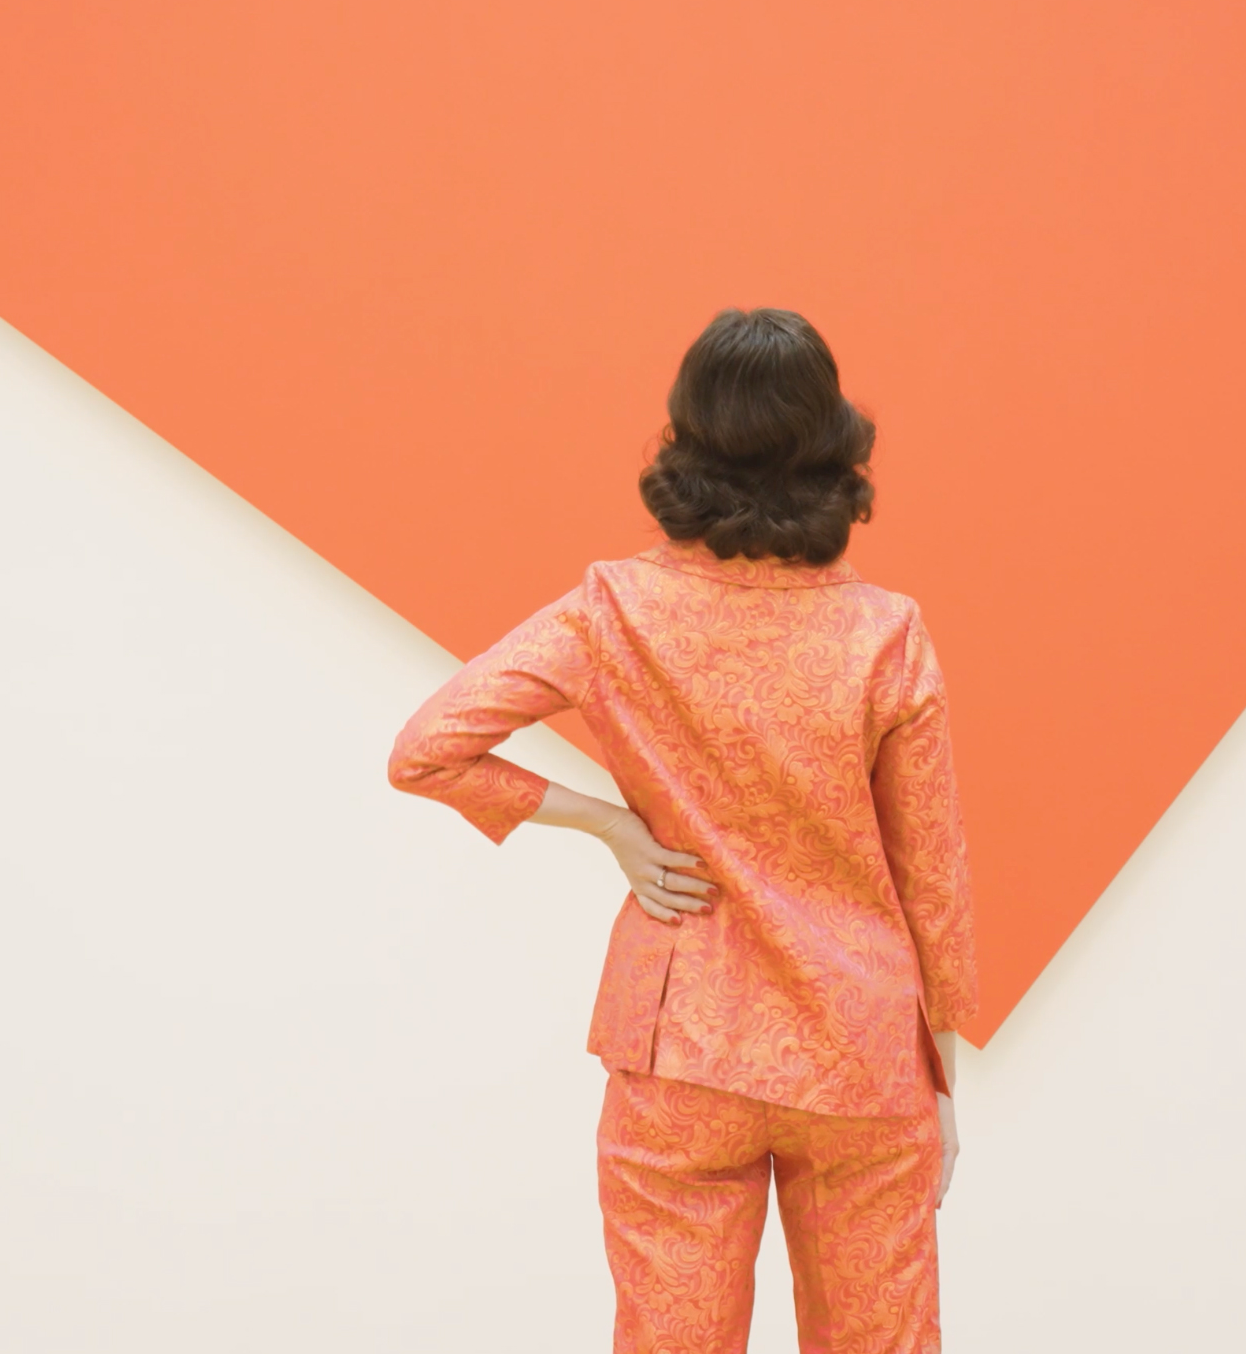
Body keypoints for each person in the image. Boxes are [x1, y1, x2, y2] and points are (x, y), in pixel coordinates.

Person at [388, 307, 977, 1352]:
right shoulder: (886, 633)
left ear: (685, 438)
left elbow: (427, 747)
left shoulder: (613, 609)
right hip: (859, 1057)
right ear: (833, 443)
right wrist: (940, 1075)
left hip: (681, 1044)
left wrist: (605, 824)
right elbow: (932, 880)